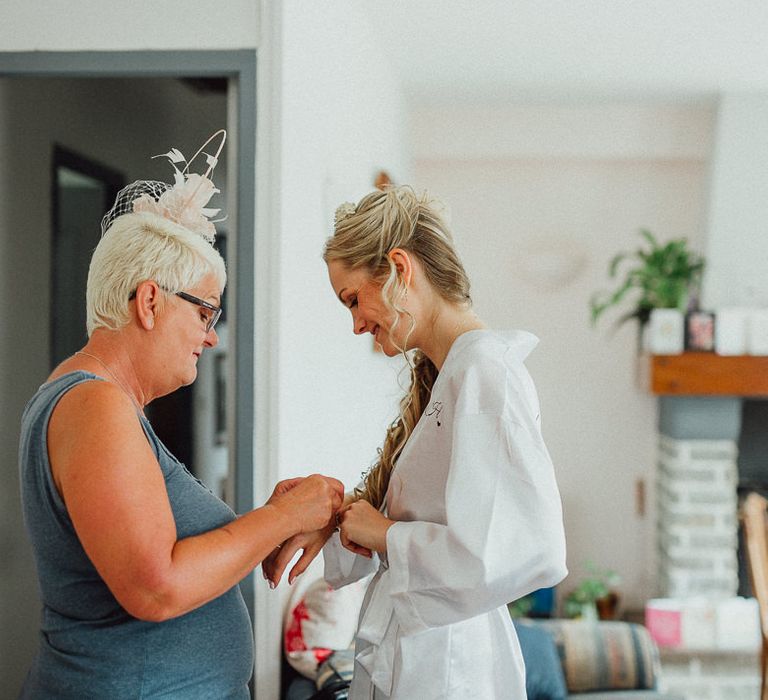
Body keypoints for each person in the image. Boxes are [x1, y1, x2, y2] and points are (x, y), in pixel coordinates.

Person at [18, 131, 343, 699]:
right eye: (205, 313)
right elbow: (157, 589)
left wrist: (270, 518)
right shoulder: (94, 405)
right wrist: (283, 517)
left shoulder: (101, 404)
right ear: (150, 301)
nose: (211, 338)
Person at [263, 186, 568, 699]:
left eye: (354, 299)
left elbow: (526, 548)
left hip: (450, 667)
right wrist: (337, 517)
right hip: (422, 654)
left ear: (399, 269)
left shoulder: (485, 372)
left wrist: (385, 535)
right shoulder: (450, 377)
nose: (357, 324)